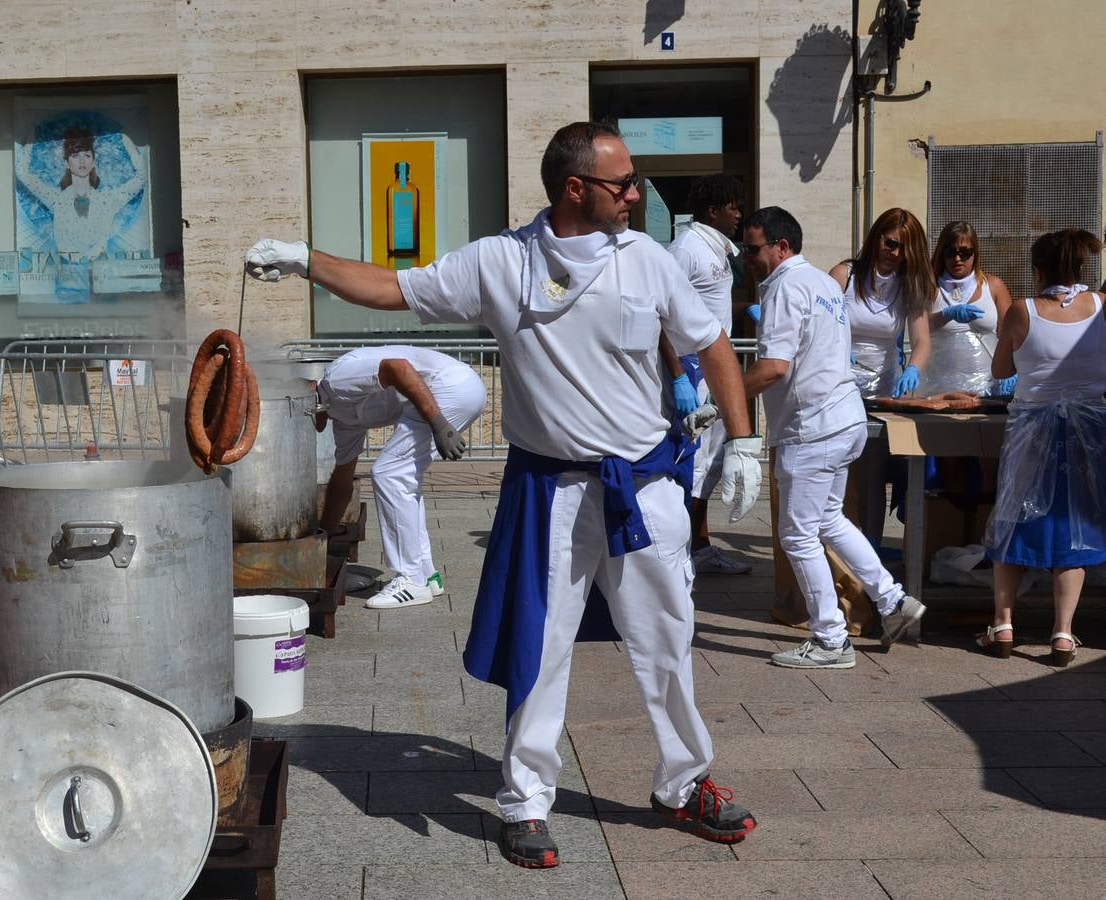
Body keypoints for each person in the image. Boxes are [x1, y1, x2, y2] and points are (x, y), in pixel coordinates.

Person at [246, 121, 764, 866]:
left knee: (666, 642)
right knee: (541, 649)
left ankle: (684, 784)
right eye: (622, 183)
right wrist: (305, 261)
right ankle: (525, 801)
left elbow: (711, 341)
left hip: (645, 487)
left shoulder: (648, 260)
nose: (636, 193)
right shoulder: (500, 262)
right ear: (575, 188)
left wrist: (744, 440)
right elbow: (394, 287)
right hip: (551, 491)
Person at [739, 207, 926, 669]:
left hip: (814, 427)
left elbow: (775, 367)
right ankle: (894, 601)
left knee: (798, 536)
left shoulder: (787, 286)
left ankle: (829, 639)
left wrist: (720, 397)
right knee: (829, 523)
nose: (747, 257)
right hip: (844, 419)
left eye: (753, 248)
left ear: (781, 247)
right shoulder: (825, 284)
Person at [979, 229, 1106, 666]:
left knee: (1015, 517)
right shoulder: (1102, 307)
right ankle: (1064, 633)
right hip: (1088, 434)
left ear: (1037, 270)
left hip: (1033, 431)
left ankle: (1003, 623)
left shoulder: (1022, 310)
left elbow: (1000, 370)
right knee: (1076, 528)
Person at [315, 345, 486, 609]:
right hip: (453, 389)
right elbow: (342, 482)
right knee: (401, 477)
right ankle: (427, 574)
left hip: (450, 388)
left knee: (389, 473)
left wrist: (438, 423)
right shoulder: (343, 418)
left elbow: (398, 368)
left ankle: (411, 580)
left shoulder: (335, 381)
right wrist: (320, 543)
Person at [663, 173, 751, 575]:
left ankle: (699, 546)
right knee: (692, 465)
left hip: (714, 369)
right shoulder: (686, 250)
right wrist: (679, 375)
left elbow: (705, 309)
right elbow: (661, 315)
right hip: (693, 374)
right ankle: (678, 552)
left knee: (710, 465)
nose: (739, 214)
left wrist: (744, 311)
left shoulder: (718, 251)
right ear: (712, 211)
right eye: (732, 207)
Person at [829, 208, 935, 398]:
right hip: (839, 381)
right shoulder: (844, 276)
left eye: (903, 249)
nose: (895, 253)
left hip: (884, 386)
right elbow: (822, 324)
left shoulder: (910, 287)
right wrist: (839, 349)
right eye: (890, 243)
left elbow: (922, 341)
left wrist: (913, 368)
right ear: (876, 237)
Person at [15, 128, 147, 264]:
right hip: (65, 276)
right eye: (75, 156)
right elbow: (22, 173)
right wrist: (30, 139)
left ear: (94, 161)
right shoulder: (56, 199)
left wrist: (127, 139)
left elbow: (143, 176)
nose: (82, 161)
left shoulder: (107, 201)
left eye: (87, 155)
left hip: (102, 275)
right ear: (66, 163)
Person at [921, 221, 1015, 396]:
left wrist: (1011, 372)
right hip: (939, 390)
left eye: (965, 253)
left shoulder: (994, 286)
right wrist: (946, 315)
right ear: (942, 253)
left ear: (975, 253)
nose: (957, 259)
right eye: (950, 252)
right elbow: (917, 330)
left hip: (988, 389)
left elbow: (1010, 336)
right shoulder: (928, 288)